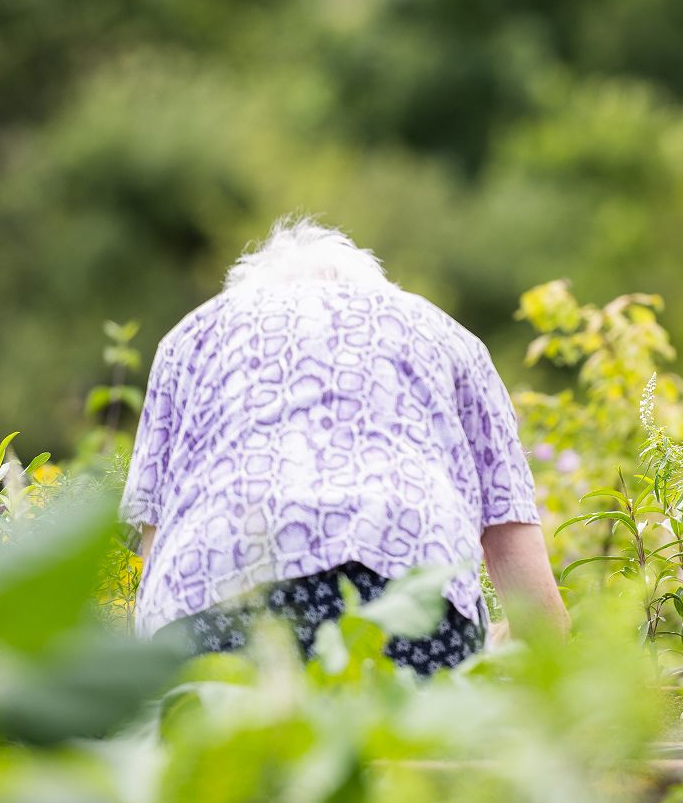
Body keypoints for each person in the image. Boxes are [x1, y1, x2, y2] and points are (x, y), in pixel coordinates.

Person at [120, 218, 567, 673]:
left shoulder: (187, 340)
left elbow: (157, 548)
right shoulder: (445, 335)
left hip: (212, 612)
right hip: (409, 609)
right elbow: (525, 581)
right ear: (375, 293)